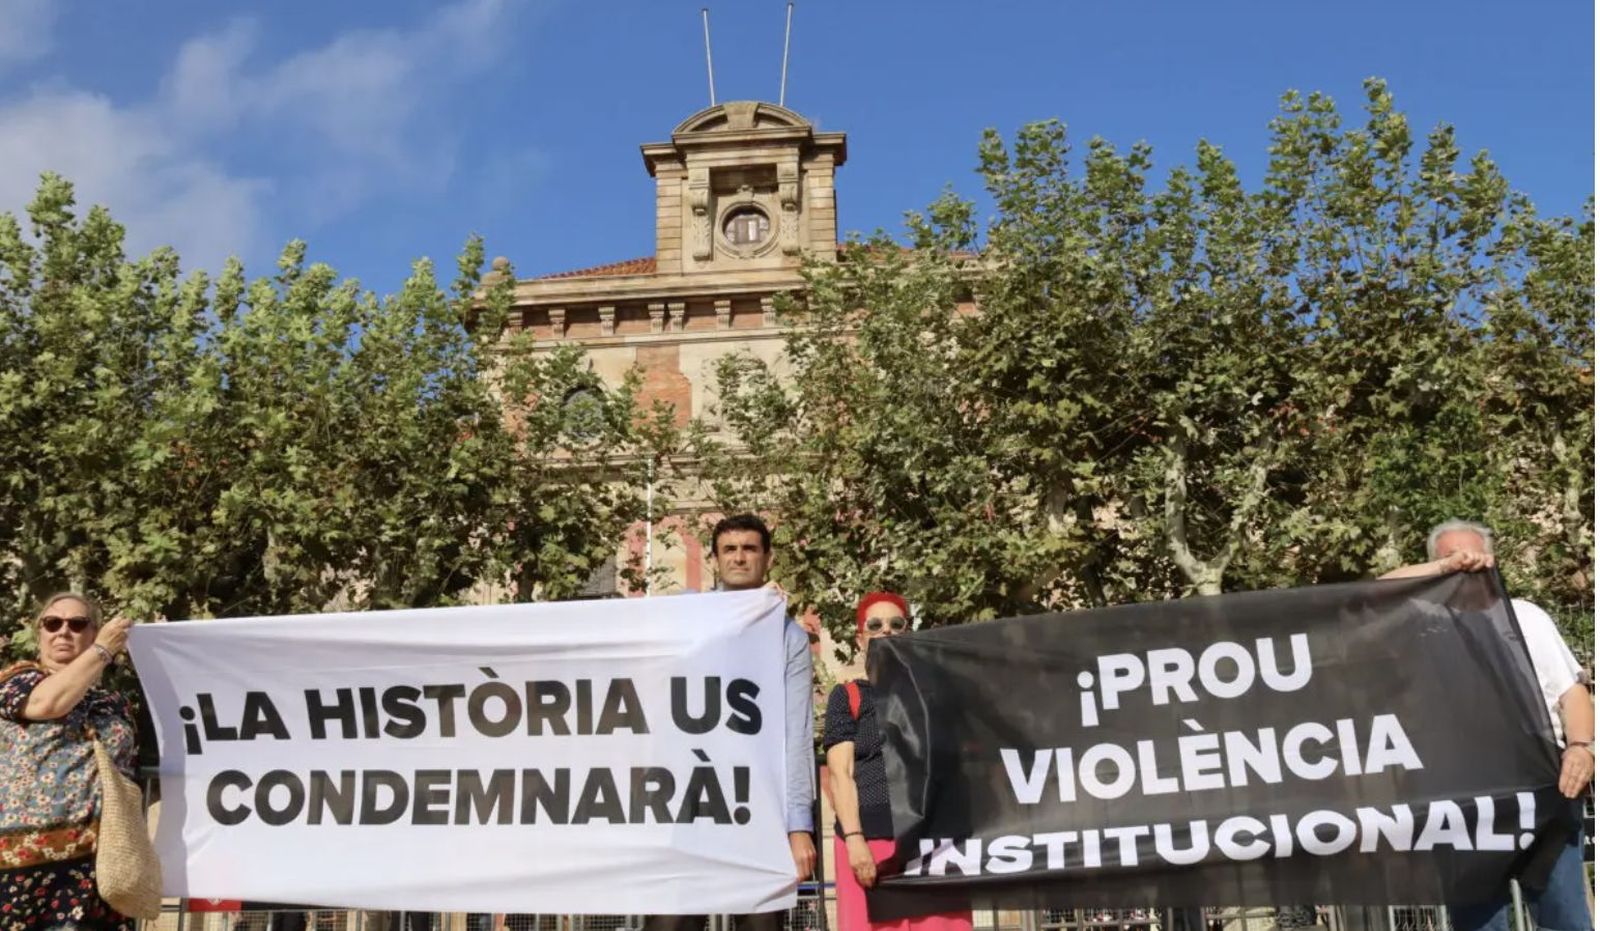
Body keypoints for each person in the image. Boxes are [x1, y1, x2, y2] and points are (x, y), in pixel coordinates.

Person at [1381, 519, 1594, 931]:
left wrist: (1582, 746)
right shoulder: (1419, 621)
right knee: (1478, 924)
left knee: (1565, 918)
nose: (1466, 563)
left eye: (1473, 554)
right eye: (1450, 557)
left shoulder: (1528, 617)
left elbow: (1571, 693)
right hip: (1463, 803)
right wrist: (1443, 570)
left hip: (1543, 792)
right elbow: (1372, 590)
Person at [642, 514, 816, 931]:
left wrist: (799, 826)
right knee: (669, 925)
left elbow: (796, 733)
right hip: (686, 804)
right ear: (716, 560)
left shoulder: (788, 636)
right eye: (730, 550)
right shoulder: (685, 619)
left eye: (750, 548)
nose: (740, 557)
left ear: (768, 558)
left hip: (757, 809)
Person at [824, 591, 971, 931]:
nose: (886, 631)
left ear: (908, 632)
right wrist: (855, 839)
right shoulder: (848, 697)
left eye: (896, 624)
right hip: (871, 842)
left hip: (935, 845)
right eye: (875, 625)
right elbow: (840, 773)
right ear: (861, 638)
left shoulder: (936, 696)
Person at [0, 592, 137, 930]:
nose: (64, 632)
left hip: (97, 866)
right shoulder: (18, 681)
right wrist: (102, 651)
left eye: (77, 624)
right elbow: (49, 704)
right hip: (22, 866)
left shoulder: (114, 702)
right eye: (52, 623)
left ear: (92, 632)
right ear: (39, 634)